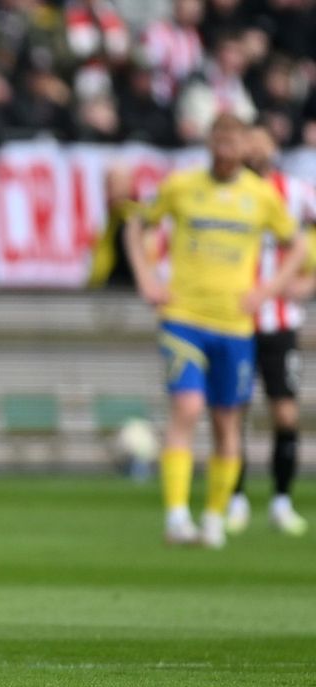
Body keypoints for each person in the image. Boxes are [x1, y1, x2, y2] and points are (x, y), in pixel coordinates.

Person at [129, 113, 307, 550]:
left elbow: (297, 243)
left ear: (243, 146)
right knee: (187, 408)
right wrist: (146, 279)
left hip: (235, 325)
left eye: (234, 142)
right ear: (209, 142)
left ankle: (213, 516)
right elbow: (138, 225)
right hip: (185, 318)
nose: (226, 150)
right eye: (220, 141)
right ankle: (175, 516)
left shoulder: (261, 197)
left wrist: (269, 289)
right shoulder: (180, 186)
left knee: (227, 421)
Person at [227, 126, 313, 537]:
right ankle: (234, 498)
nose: (255, 147)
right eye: (249, 140)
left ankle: (281, 501)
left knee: (285, 413)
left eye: (262, 140)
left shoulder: (294, 192)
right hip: (234, 320)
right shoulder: (225, 192)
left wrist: (309, 283)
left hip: (279, 322)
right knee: (232, 413)